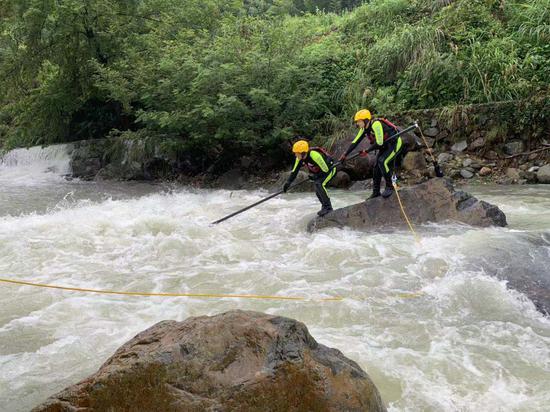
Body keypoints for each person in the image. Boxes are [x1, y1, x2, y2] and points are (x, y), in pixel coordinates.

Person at [340, 109, 405, 199]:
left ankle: (390, 187)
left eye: (359, 121)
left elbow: (379, 142)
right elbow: (355, 142)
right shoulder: (364, 129)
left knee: (383, 161)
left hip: (394, 144)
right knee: (376, 167)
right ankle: (376, 192)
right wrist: (345, 154)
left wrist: (367, 151)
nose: (357, 124)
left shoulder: (376, 124)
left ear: (366, 120)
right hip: (385, 146)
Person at [283, 139, 336, 216]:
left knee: (319, 184)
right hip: (321, 172)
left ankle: (328, 208)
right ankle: (324, 207)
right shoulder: (299, 158)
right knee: (317, 189)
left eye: (297, 153)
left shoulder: (314, 155)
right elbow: (294, 172)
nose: (295, 155)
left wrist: (315, 176)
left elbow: (326, 170)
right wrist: (288, 183)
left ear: (303, 153)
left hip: (330, 170)